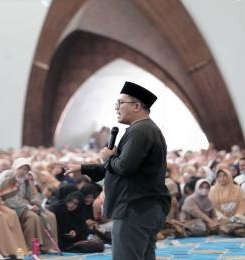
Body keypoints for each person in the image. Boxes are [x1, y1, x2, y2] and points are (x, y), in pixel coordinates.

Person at [64, 82, 170, 260]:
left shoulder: (140, 131)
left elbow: (123, 167)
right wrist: (83, 168)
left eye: (120, 103)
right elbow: (119, 166)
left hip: (135, 208)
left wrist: (108, 157)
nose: (116, 108)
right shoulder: (144, 129)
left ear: (136, 106)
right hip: (143, 207)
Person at [0, 157, 58, 252]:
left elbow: (33, 195)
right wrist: (29, 207)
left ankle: (48, 246)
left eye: (25, 169)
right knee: (32, 217)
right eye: (21, 168)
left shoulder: (26, 180)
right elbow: (9, 198)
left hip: (25, 205)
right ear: (15, 167)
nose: (23, 171)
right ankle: (30, 247)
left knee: (50, 216)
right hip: (11, 206)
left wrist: (36, 205)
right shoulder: (8, 177)